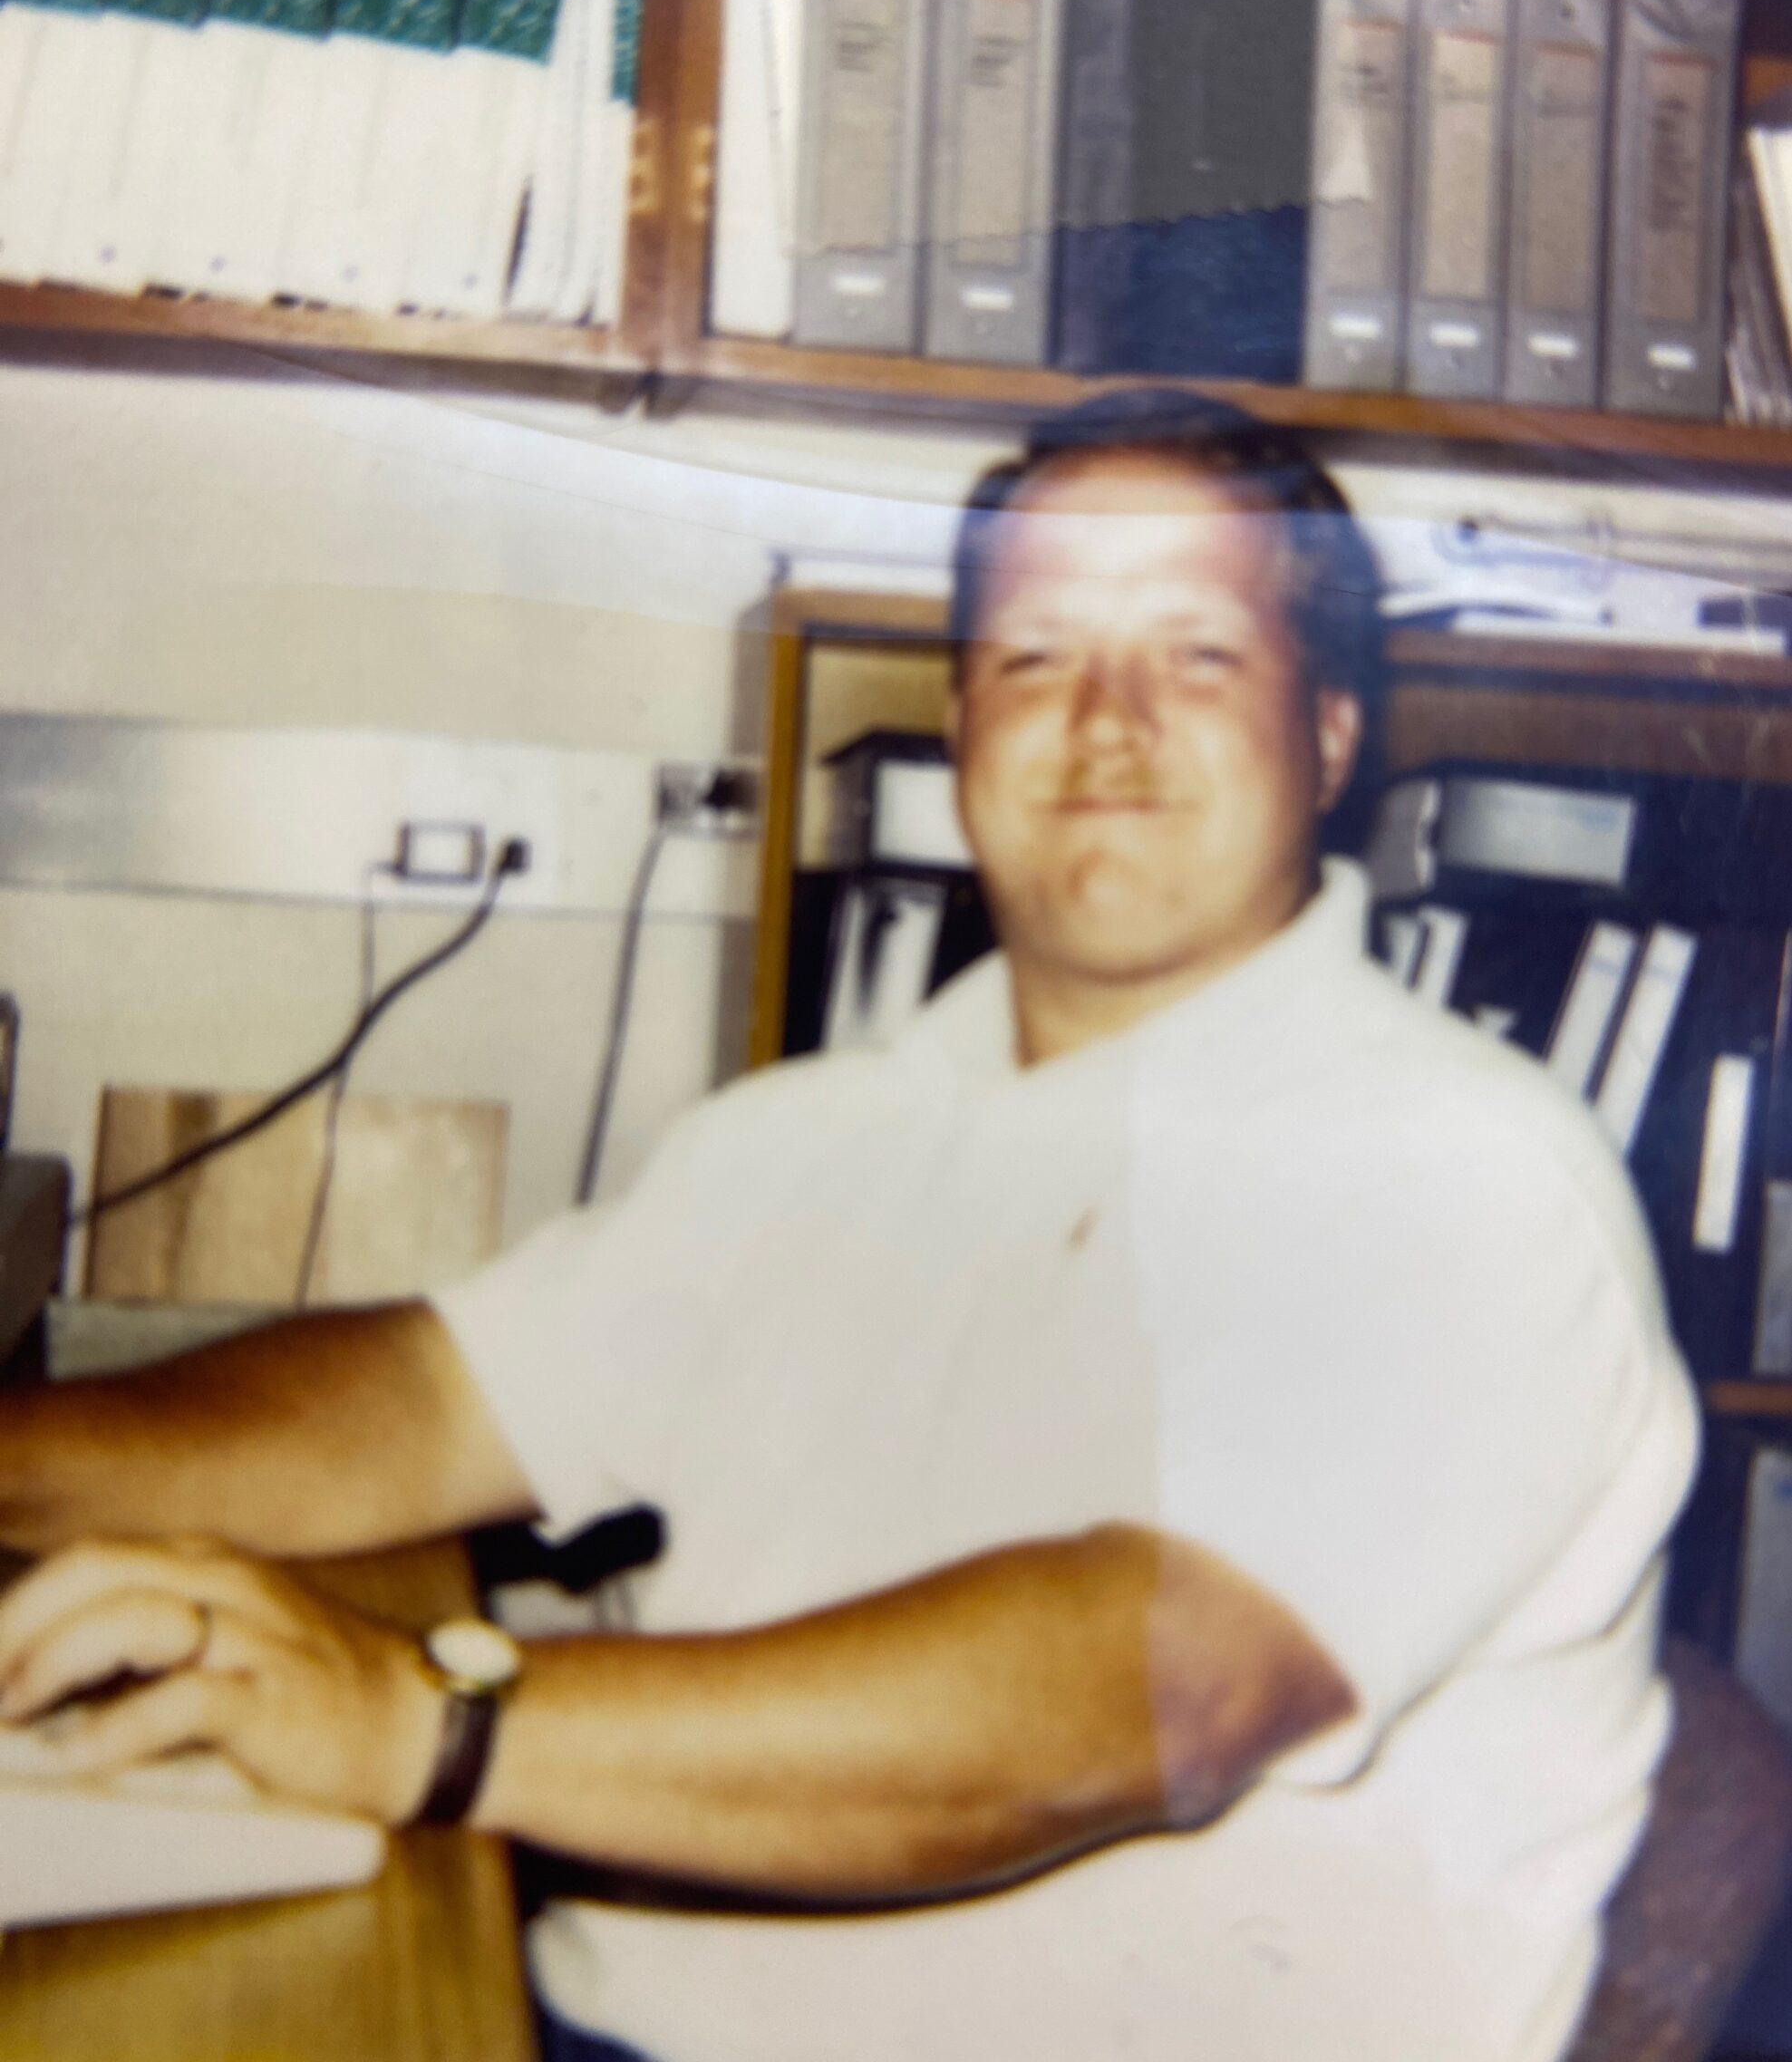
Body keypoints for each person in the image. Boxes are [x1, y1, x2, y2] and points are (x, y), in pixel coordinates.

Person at [0, 394, 1699, 2062]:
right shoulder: (818, 1139)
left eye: (1195, 653)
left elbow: (1149, 1689)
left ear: (1328, 735)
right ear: (961, 724)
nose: (1105, 722)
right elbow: (435, 1401)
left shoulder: (1460, 1179)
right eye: (1036, 658)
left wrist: (414, 1720)